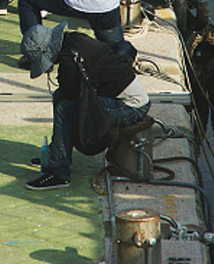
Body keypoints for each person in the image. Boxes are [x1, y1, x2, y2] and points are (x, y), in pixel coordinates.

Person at [21, 21, 152, 190]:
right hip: (123, 99)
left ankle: (58, 172)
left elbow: (70, 92)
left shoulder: (69, 58)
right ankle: (56, 154)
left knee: (65, 109)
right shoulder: (74, 39)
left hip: (131, 107)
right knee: (60, 97)